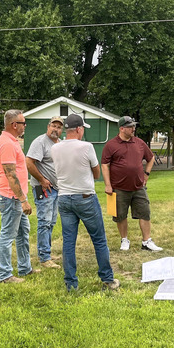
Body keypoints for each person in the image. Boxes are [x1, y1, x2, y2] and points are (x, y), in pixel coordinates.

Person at [51, 114, 119, 291]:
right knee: (99, 240)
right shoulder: (87, 147)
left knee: (68, 242)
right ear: (79, 129)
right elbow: (96, 174)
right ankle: (107, 279)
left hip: (64, 198)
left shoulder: (55, 148)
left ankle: (71, 284)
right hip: (85, 197)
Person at [101, 116, 162, 252]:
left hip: (139, 187)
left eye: (134, 126)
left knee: (145, 213)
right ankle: (124, 240)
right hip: (119, 187)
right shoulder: (111, 145)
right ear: (122, 129)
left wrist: (146, 174)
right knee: (120, 215)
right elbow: (105, 165)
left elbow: (150, 158)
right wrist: (108, 184)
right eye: (130, 127)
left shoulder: (139, 143)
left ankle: (146, 241)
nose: (133, 129)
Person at [0, 109, 40, 284]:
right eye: (23, 123)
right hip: (11, 198)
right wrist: (23, 200)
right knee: (8, 235)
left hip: (14, 198)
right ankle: (5, 274)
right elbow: (10, 175)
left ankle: (25, 268)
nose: (25, 126)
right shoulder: (6, 144)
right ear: (14, 125)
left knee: (22, 233)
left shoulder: (10, 141)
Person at [26, 116, 64, 269]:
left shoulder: (59, 144)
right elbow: (29, 162)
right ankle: (44, 258)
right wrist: (42, 180)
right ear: (48, 127)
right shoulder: (40, 142)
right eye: (53, 126)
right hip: (44, 189)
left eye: (59, 127)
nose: (56, 129)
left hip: (56, 189)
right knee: (44, 222)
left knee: (52, 221)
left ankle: (46, 252)